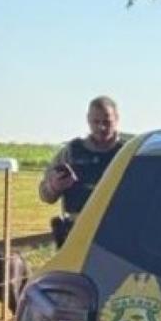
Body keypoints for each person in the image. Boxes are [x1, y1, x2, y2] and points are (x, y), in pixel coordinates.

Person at [40, 96, 127, 240]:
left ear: (116, 119)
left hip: (117, 232)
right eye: (96, 122)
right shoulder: (71, 152)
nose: (101, 127)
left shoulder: (128, 153)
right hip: (77, 233)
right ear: (88, 119)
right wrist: (54, 187)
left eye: (107, 122)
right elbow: (45, 194)